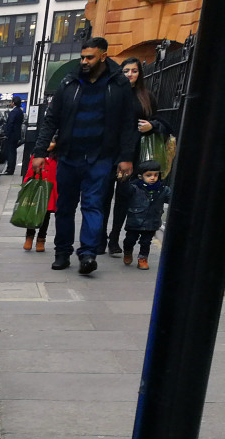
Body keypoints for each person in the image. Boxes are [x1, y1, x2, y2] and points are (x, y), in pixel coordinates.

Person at [31, 36, 138, 275]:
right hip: (69, 156)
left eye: (89, 57)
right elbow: (51, 119)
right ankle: (62, 252)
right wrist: (39, 152)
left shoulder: (117, 84)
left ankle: (88, 254)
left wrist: (126, 157)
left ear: (103, 55)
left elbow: (127, 123)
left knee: (93, 206)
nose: (85, 61)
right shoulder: (70, 81)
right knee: (65, 207)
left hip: (100, 157)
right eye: (82, 57)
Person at [105, 57, 170, 255]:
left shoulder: (146, 96)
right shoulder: (112, 93)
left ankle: (114, 238)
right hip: (109, 153)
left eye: (134, 71)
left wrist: (152, 126)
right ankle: (100, 236)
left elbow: (162, 123)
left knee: (124, 197)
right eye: (126, 71)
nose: (130, 75)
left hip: (134, 155)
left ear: (139, 74)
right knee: (103, 197)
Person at [120, 159, 171, 270]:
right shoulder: (135, 188)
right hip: (134, 221)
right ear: (140, 176)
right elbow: (124, 192)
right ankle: (128, 251)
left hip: (152, 222)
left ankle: (143, 259)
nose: (153, 178)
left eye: (155, 175)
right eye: (148, 175)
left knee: (146, 242)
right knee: (130, 240)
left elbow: (171, 198)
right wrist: (124, 181)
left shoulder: (163, 190)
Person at [23, 138, 57, 253]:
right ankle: (29, 237)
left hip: (49, 191)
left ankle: (41, 240)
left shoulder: (57, 158)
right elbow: (29, 173)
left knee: (46, 215)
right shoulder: (36, 157)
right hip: (36, 189)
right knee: (32, 213)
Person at [2, 96, 25, 175]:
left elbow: (10, 123)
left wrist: (7, 134)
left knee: (10, 152)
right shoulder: (20, 111)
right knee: (13, 152)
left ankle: (9, 169)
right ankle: (11, 168)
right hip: (16, 134)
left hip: (11, 135)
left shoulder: (14, 112)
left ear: (13, 103)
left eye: (11, 102)